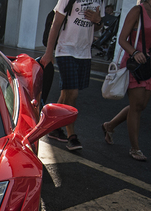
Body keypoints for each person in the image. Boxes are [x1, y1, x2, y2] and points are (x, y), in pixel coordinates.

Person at [41, 0, 104, 151]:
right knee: (72, 93)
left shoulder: (99, 0)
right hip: (66, 50)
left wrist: (98, 20)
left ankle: (54, 127)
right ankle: (72, 136)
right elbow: (55, 24)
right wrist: (49, 52)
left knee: (66, 94)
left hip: (84, 52)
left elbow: (97, 26)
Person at [102, 0, 151, 161]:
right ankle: (135, 149)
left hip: (148, 65)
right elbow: (122, 39)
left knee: (141, 105)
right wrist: (135, 52)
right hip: (134, 63)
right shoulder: (137, 11)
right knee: (136, 106)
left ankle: (109, 126)